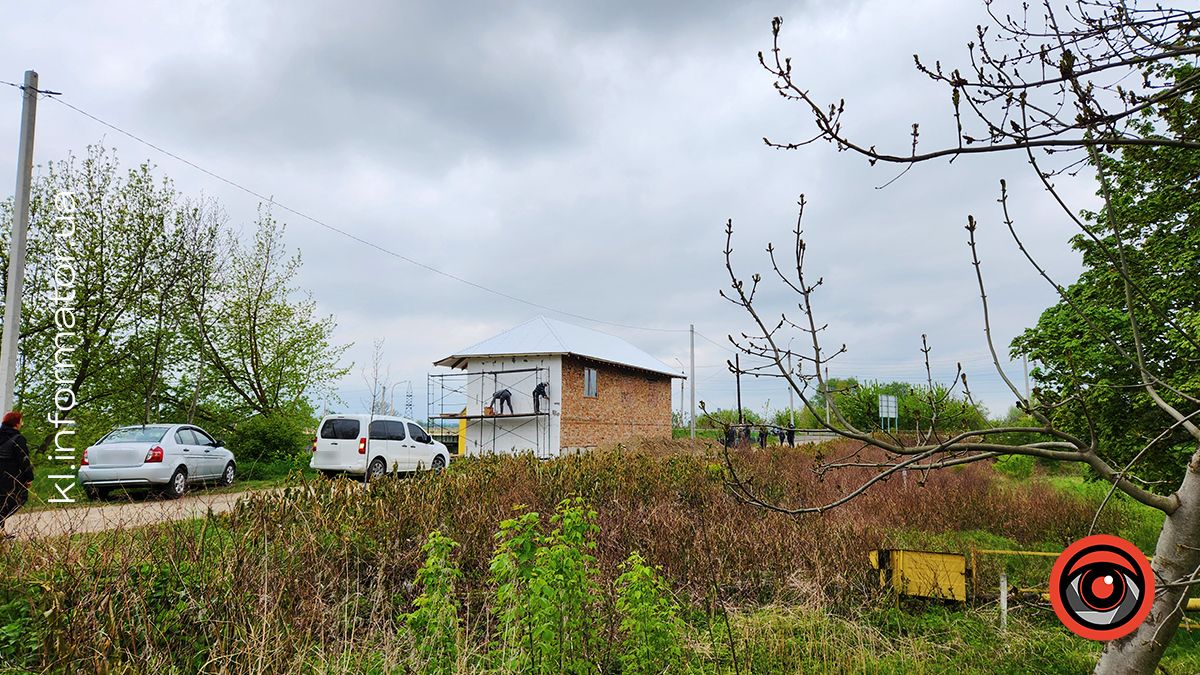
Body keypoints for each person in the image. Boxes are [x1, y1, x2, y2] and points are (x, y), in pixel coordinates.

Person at [0, 411, 32, 540]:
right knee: (18, 499)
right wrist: (29, 477)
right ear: (16, 423)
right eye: (21, 421)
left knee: (1, 503)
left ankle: (1, 532)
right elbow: (24, 460)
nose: (22, 424)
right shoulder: (18, 439)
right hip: (11, 477)